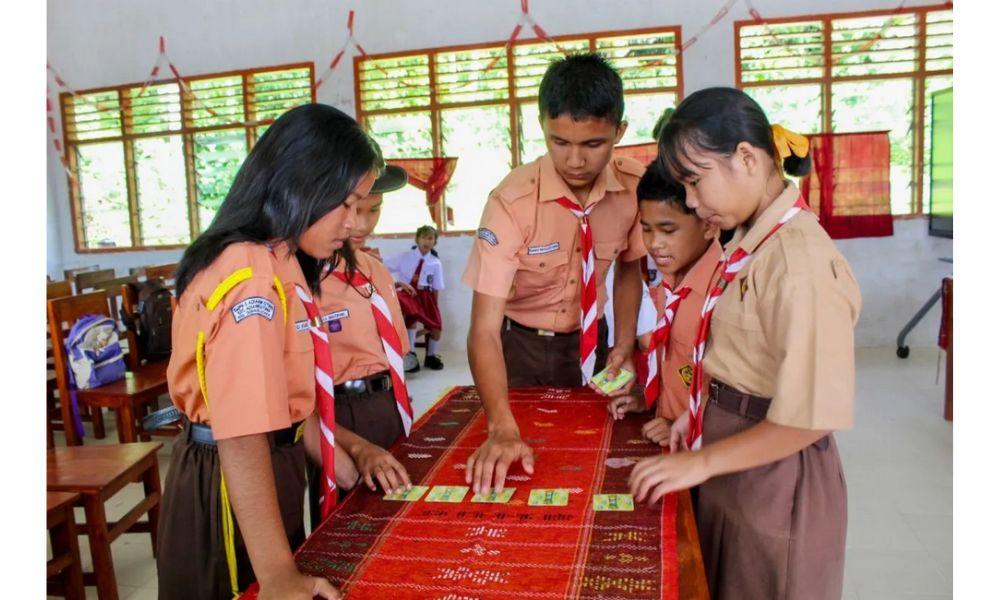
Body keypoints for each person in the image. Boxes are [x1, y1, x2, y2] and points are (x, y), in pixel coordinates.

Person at [628, 87, 861, 599]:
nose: (691, 200)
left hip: (776, 475)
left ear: (747, 159)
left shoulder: (799, 263)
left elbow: (810, 417)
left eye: (695, 180)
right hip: (735, 453)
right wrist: (700, 415)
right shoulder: (749, 247)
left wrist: (701, 460)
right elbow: (743, 360)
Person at [158, 103, 384, 600]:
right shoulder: (252, 278)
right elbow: (241, 434)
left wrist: (333, 454)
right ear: (300, 186)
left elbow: (282, 392)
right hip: (232, 478)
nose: (353, 223)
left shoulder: (279, 262)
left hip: (261, 469)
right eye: (346, 203)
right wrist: (280, 578)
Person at [461, 53, 646, 496]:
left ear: (620, 132)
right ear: (541, 124)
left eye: (594, 144)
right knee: (524, 469)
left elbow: (628, 268)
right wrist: (500, 424)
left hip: (594, 341)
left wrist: (623, 344)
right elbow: (483, 330)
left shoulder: (635, 187)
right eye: (559, 141)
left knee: (596, 465)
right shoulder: (511, 202)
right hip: (520, 347)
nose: (576, 160)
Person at [306, 165, 414, 529]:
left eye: (374, 209)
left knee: (396, 519)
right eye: (353, 209)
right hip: (336, 415)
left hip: (387, 405)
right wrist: (345, 442)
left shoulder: (373, 269)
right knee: (346, 528)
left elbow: (394, 349)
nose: (364, 225)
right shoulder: (303, 280)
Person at [604, 162, 721, 452]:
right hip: (668, 438)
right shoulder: (664, 285)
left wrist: (686, 423)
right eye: (646, 230)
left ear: (708, 225)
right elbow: (676, 366)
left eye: (668, 230)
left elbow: (733, 397)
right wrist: (649, 398)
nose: (655, 244)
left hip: (708, 451)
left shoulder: (723, 295)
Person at [385, 225, 446, 371]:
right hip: (409, 294)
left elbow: (436, 287)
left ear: (435, 242)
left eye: (430, 238)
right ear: (417, 239)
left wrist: (435, 306)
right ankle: (410, 355)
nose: (426, 241)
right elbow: (382, 267)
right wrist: (396, 284)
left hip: (426, 296)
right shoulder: (404, 257)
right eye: (423, 237)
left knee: (436, 327)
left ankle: (430, 356)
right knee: (410, 318)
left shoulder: (435, 262)